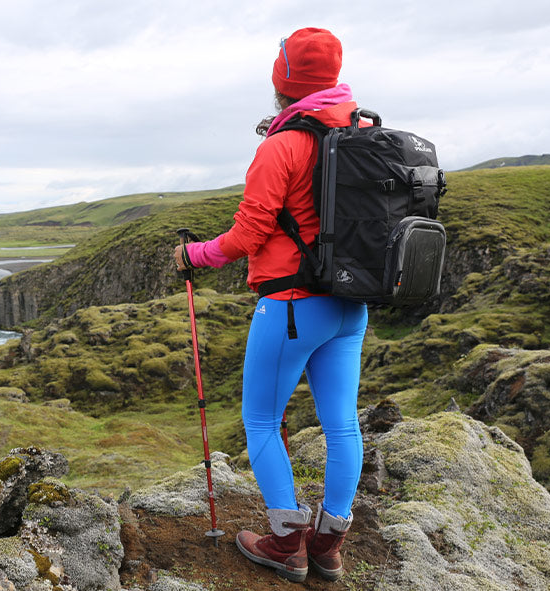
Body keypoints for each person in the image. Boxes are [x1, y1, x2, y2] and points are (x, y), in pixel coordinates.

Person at [172, 27, 367, 583]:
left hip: (290, 306)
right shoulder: (358, 132)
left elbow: (247, 235)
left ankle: (286, 543)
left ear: (281, 80)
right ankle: (328, 544)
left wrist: (194, 254)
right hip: (350, 303)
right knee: (342, 425)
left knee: (261, 418)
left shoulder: (282, 144)